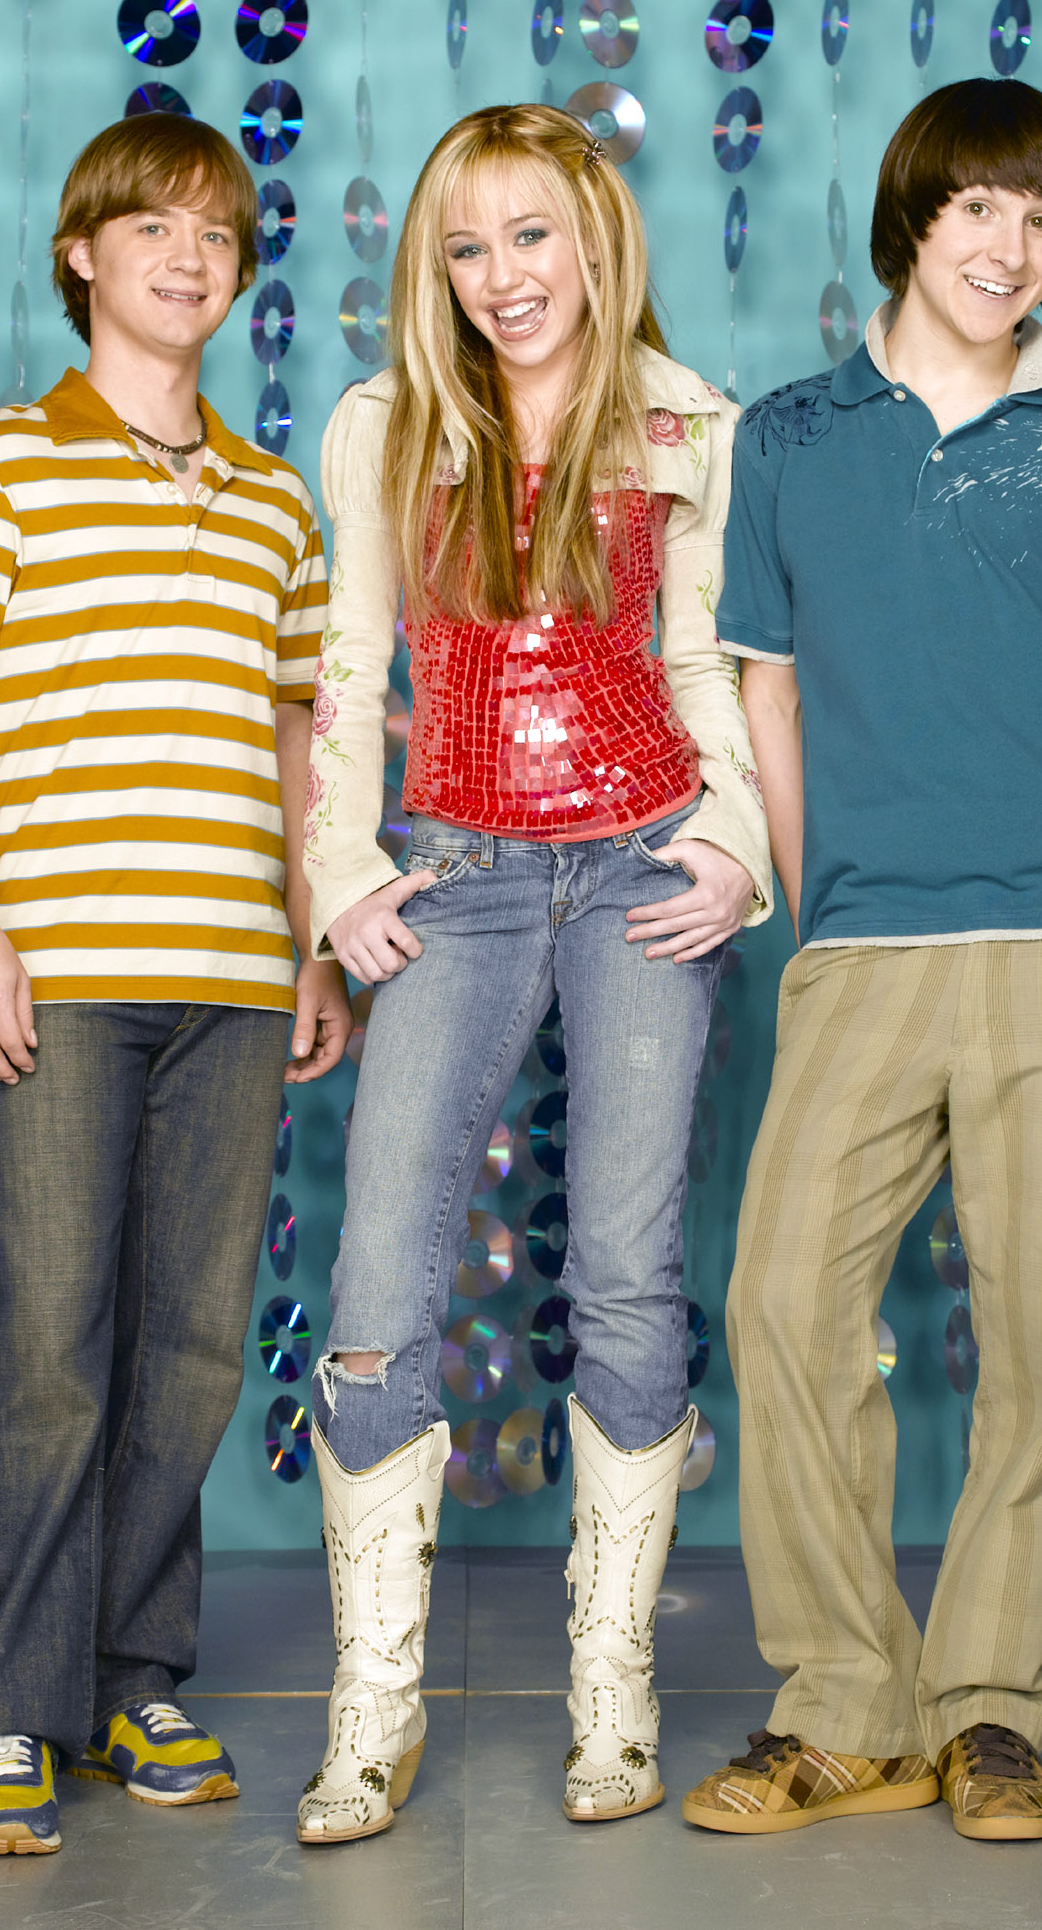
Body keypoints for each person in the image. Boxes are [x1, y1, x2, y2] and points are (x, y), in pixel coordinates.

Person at [688, 80, 1042, 1846]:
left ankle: (989, 1704)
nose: (1009, 246)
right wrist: (815, 899)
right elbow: (765, 689)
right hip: (870, 944)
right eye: (978, 207)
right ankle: (846, 1706)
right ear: (911, 218)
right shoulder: (788, 436)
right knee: (783, 1307)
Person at [297, 104, 772, 1842]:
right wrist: (340, 871)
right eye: (465, 246)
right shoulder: (386, 424)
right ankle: (371, 1709)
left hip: (644, 864)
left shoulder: (688, 423)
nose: (501, 277)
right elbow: (349, 664)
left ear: (593, 244)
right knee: (377, 1273)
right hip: (463, 873)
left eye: (528, 237)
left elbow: (704, 658)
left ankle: (611, 1687)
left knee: (629, 1274)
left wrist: (736, 843)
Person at [0, 112, 349, 1860]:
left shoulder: (275, 499)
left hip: (233, 979)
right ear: (80, 255)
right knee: (46, 1349)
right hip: (60, 976)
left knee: (193, 1352)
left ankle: (134, 1674)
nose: (187, 256)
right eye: (151, 226)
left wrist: (316, 936)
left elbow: (299, 739)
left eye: (216, 234)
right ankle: (8, 1708)